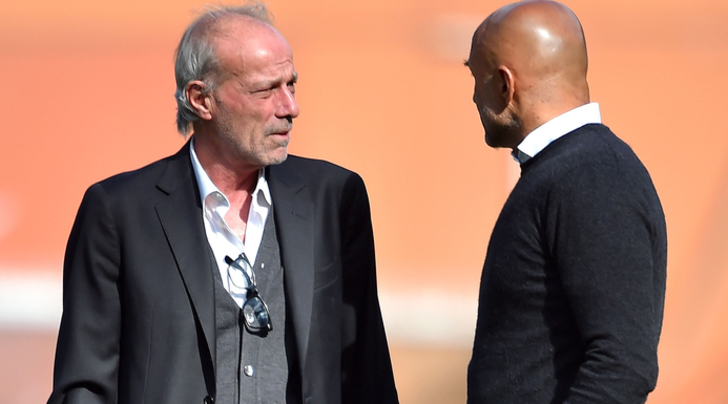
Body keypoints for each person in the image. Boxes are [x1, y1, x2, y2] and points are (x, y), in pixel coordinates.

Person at [47, 4, 399, 404]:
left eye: (291, 85)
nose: (290, 107)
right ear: (201, 99)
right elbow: (85, 386)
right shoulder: (118, 213)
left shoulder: (334, 199)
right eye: (266, 90)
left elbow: (368, 375)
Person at [464, 1, 667, 403]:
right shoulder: (566, 172)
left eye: (476, 78)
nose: (472, 97)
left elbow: (623, 366)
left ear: (505, 84)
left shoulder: (593, 176)